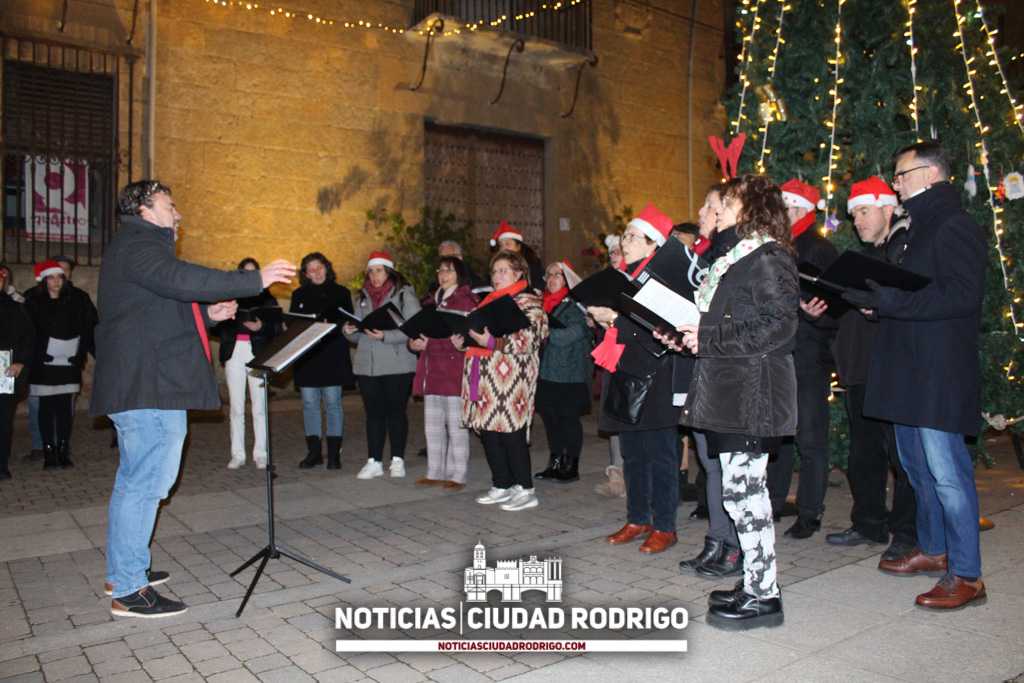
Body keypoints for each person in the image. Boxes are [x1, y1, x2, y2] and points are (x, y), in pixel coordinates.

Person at [91, 179, 295, 617]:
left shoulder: (137, 248)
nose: (178, 213)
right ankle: (129, 588)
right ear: (145, 209)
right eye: (170, 205)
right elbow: (180, 279)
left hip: (148, 382)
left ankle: (124, 571)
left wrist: (206, 313)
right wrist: (254, 279)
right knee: (146, 484)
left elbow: (156, 307)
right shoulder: (139, 244)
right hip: (148, 385)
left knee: (137, 482)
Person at [843, 141, 987, 610]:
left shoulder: (954, 225)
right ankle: (934, 548)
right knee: (917, 470)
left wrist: (892, 301)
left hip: (937, 372)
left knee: (947, 475)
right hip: (906, 370)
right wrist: (876, 304)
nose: (896, 183)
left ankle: (967, 574)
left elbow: (963, 296)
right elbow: (911, 295)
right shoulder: (913, 229)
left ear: (929, 174)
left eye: (901, 175)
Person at [672, 174, 798, 629]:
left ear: (752, 207)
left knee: (747, 495)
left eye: (728, 201)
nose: (719, 208)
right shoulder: (737, 258)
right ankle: (755, 583)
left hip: (753, 392)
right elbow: (732, 320)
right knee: (738, 492)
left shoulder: (768, 257)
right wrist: (694, 333)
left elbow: (780, 325)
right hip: (732, 389)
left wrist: (708, 336)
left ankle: (763, 596)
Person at [821, 177, 917, 560]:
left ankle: (907, 533)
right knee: (864, 453)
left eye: (864, 211)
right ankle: (869, 523)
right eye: (854, 213)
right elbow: (841, 318)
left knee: (902, 457)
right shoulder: (859, 261)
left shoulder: (903, 253)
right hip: (859, 370)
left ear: (887, 208)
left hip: (892, 371)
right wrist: (818, 309)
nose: (857, 220)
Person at [589, 203, 689, 555]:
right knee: (631, 454)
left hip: (657, 377)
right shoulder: (623, 278)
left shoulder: (663, 280)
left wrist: (614, 320)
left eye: (633, 237)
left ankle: (665, 526)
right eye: (625, 235)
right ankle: (637, 518)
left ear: (652, 244)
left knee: (661, 455)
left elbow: (661, 332)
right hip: (624, 375)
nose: (625, 242)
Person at [676, 184, 743, 578]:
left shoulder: (739, 257)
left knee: (728, 467)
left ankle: (735, 547)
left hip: (726, 371)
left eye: (710, 205)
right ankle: (717, 539)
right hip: (703, 366)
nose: (702, 211)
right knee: (710, 463)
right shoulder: (707, 257)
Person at [768, 178, 839, 539]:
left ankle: (810, 512)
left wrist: (809, 309)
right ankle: (774, 501)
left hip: (808, 355)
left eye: (784, 206)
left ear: (799, 209)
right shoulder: (778, 246)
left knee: (810, 439)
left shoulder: (818, 249)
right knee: (779, 434)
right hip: (781, 354)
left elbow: (833, 306)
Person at [458, 250, 548, 511]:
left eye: (503, 271)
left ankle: (525, 489)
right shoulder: (487, 302)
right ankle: (502, 484)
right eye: (494, 271)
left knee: (511, 434)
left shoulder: (530, 304)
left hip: (512, 381)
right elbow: (477, 335)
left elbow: (529, 341)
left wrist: (490, 341)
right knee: (488, 433)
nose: (497, 276)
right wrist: (463, 341)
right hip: (484, 378)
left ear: (519, 273)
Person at [344, 251, 421, 479]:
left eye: (379, 271)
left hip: (397, 364)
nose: (374, 276)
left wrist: (386, 335)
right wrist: (348, 331)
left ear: (389, 272)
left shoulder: (404, 295)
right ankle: (374, 460)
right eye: (371, 271)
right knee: (373, 413)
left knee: (396, 412)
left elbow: (415, 327)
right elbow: (358, 333)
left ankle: (397, 459)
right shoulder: (361, 297)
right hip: (367, 365)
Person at [409, 256, 477, 489]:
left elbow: (470, 337)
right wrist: (414, 343)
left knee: (457, 427)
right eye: (440, 270)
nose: (443, 275)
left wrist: (449, 342)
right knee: (433, 426)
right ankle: (434, 471)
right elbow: (419, 332)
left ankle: (458, 474)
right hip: (431, 370)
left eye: (449, 270)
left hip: (454, 370)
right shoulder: (430, 301)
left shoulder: (467, 301)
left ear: (459, 274)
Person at [24, 260, 96, 469]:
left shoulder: (75, 300)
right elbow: (28, 332)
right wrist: (38, 354)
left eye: (59, 277)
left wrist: (79, 353)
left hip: (68, 363)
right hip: (43, 365)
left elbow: (85, 329)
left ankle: (63, 450)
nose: (56, 281)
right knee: (46, 408)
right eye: (51, 277)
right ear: (44, 280)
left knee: (64, 408)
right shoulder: (33, 301)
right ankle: (49, 451)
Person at [290, 252, 355, 470]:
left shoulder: (342, 293)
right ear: (306, 274)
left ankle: (334, 454)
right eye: (311, 270)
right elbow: (294, 324)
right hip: (308, 356)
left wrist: (340, 326)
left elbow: (349, 321)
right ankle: (314, 452)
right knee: (309, 404)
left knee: (333, 403)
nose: (316, 272)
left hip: (332, 353)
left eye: (319, 267)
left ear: (327, 268)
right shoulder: (299, 295)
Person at [217, 258, 282, 470]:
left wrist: (261, 327)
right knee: (236, 407)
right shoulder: (229, 296)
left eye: (254, 272)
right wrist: (229, 319)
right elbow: (216, 327)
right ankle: (237, 454)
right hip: (234, 352)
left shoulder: (267, 298)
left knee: (259, 406)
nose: (250, 276)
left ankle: (261, 453)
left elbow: (276, 329)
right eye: (245, 272)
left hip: (257, 353)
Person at [533, 260, 592, 483]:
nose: (551, 279)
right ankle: (555, 462)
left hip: (569, 374)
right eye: (549, 275)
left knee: (568, 420)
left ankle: (571, 465)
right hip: (547, 372)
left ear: (567, 279)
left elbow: (572, 334)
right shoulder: (544, 303)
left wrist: (544, 332)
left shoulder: (576, 304)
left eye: (557, 275)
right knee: (550, 419)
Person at [594, 234, 626, 498]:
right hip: (610, 355)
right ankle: (616, 475)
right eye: (611, 253)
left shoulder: (635, 281)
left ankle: (633, 478)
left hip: (630, 355)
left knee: (630, 417)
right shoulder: (608, 283)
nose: (613, 256)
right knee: (613, 415)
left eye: (618, 252)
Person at [0, 287, 33, 480]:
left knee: (3, 420)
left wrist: (20, 361)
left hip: (5, 372)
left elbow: (28, 337)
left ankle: (1, 465)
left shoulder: (14, 308)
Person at [489, 221, 545, 292]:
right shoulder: (496, 263)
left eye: (507, 244)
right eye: (501, 245)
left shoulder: (532, 264)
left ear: (518, 247)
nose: (503, 249)